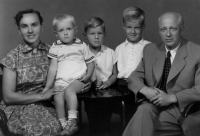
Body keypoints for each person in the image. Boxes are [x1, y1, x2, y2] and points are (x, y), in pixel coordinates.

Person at [123, 12, 200, 136]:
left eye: (173, 28)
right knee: (143, 110)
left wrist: (171, 98)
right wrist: (145, 89)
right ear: (159, 30)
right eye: (163, 29)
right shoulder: (150, 50)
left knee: (141, 124)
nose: (168, 34)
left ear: (182, 28)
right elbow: (134, 77)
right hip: (153, 104)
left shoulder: (197, 52)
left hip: (182, 109)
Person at [0, 9, 62, 136]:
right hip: (17, 108)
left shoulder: (54, 52)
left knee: (58, 127)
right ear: (19, 30)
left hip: (47, 107)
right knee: (32, 129)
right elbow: (8, 97)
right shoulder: (12, 57)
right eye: (24, 26)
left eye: (34, 25)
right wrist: (42, 96)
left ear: (41, 27)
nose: (30, 30)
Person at [41, 14, 95, 136]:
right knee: (57, 95)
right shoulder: (56, 47)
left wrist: (87, 77)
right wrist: (48, 86)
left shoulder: (81, 45)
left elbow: (91, 64)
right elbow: (53, 68)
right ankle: (64, 125)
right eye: (61, 30)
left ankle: (73, 121)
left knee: (69, 91)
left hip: (79, 79)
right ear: (56, 34)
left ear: (75, 30)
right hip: (61, 80)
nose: (65, 33)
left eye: (69, 29)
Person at [115, 7, 151, 124]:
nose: (133, 31)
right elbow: (115, 72)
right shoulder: (119, 48)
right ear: (124, 27)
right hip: (121, 85)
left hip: (141, 84)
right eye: (129, 27)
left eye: (137, 28)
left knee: (139, 108)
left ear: (143, 27)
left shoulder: (149, 47)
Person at [83, 17, 117, 136]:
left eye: (100, 33)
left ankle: (105, 132)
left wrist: (107, 83)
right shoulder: (82, 53)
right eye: (92, 33)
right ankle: (95, 131)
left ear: (105, 34)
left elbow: (115, 74)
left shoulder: (110, 52)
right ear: (85, 35)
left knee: (105, 109)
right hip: (89, 92)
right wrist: (92, 82)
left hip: (108, 91)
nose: (96, 37)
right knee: (93, 109)